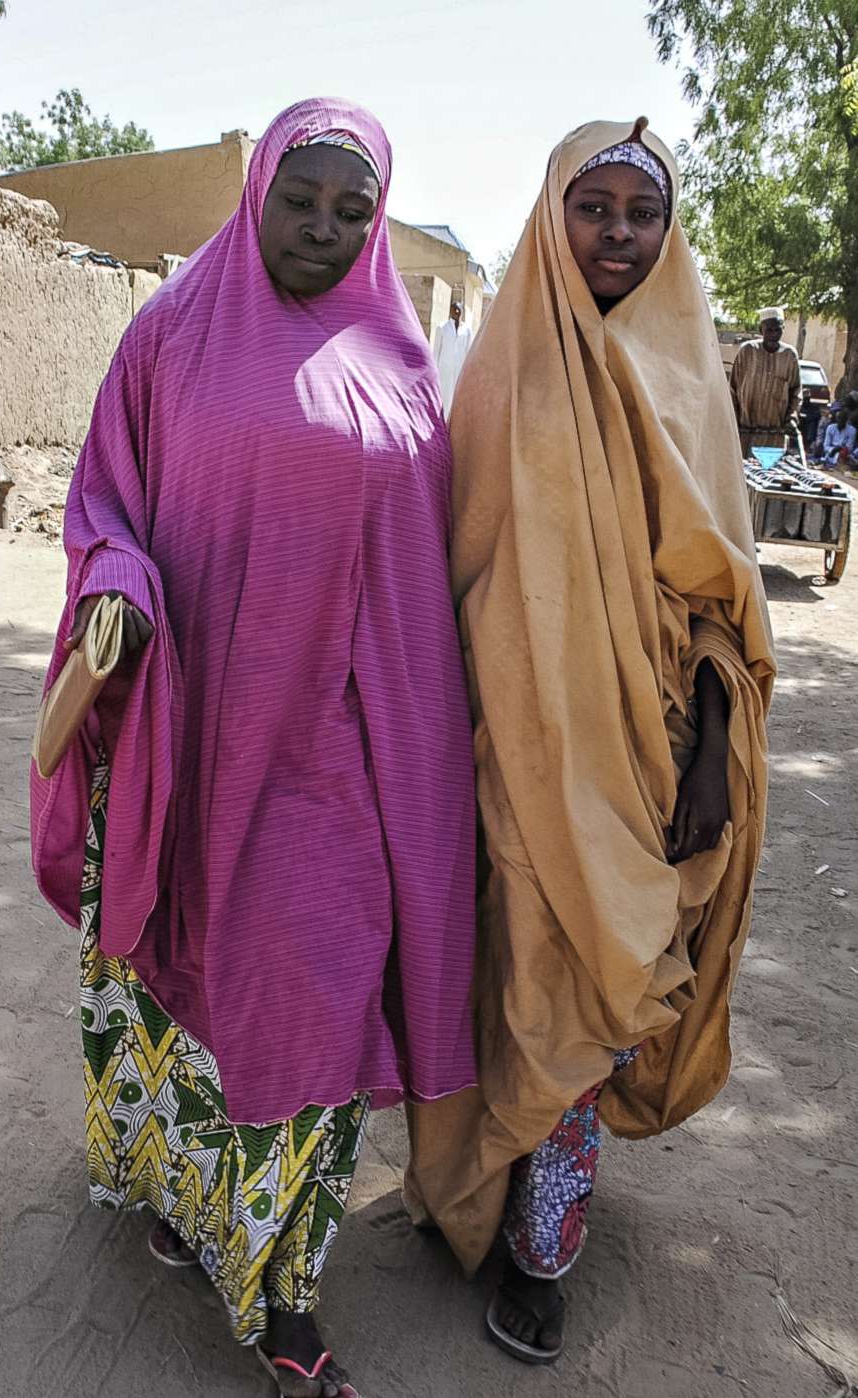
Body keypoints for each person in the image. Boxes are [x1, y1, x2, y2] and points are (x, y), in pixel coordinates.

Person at [30, 98, 477, 1398]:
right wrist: (113, 575)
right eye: (303, 199)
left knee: (310, 1007)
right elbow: (104, 494)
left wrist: (412, 773)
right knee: (179, 981)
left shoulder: (397, 365)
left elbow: (411, 591)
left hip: (323, 767)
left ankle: (281, 1288)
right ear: (258, 191)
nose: (325, 230)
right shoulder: (170, 334)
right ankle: (177, 1192)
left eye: (354, 209)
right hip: (182, 735)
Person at [406, 118, 775, 1366]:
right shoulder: (502, 368)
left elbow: (725, 599)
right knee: (502, 978)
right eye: (592, 206)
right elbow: (450, 564)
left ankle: (541, 1242)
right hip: (505, 738)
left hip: (647, 756)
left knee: (600, 982)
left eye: (639, 211)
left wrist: (715, 749)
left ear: (668, 231)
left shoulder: (688, 377)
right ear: (551, 215)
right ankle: (471, 1178)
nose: (616, 232)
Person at [729, 307, 802, 458]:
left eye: (778, 330)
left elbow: (796, 391)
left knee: (768, 476)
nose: (774, 334)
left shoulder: (790, 356)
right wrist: (732, 421)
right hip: (744, 433)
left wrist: (792, 418)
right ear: (761, 329)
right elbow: (732, 390)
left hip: (774, 436)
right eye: (769, 330)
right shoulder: (747, 351)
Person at [433, 300, 474, 415]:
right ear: (450, 312)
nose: (456, 312)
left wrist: (467, 373)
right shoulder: (442, 328)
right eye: (454, 310)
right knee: (443, 398)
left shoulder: (467, 330)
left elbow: (469, 352)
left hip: (459, 371)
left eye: (459, 310)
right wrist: (434, 372)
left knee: (456, 400)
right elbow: (436, 352)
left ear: (462, 312)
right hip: (444, 370)